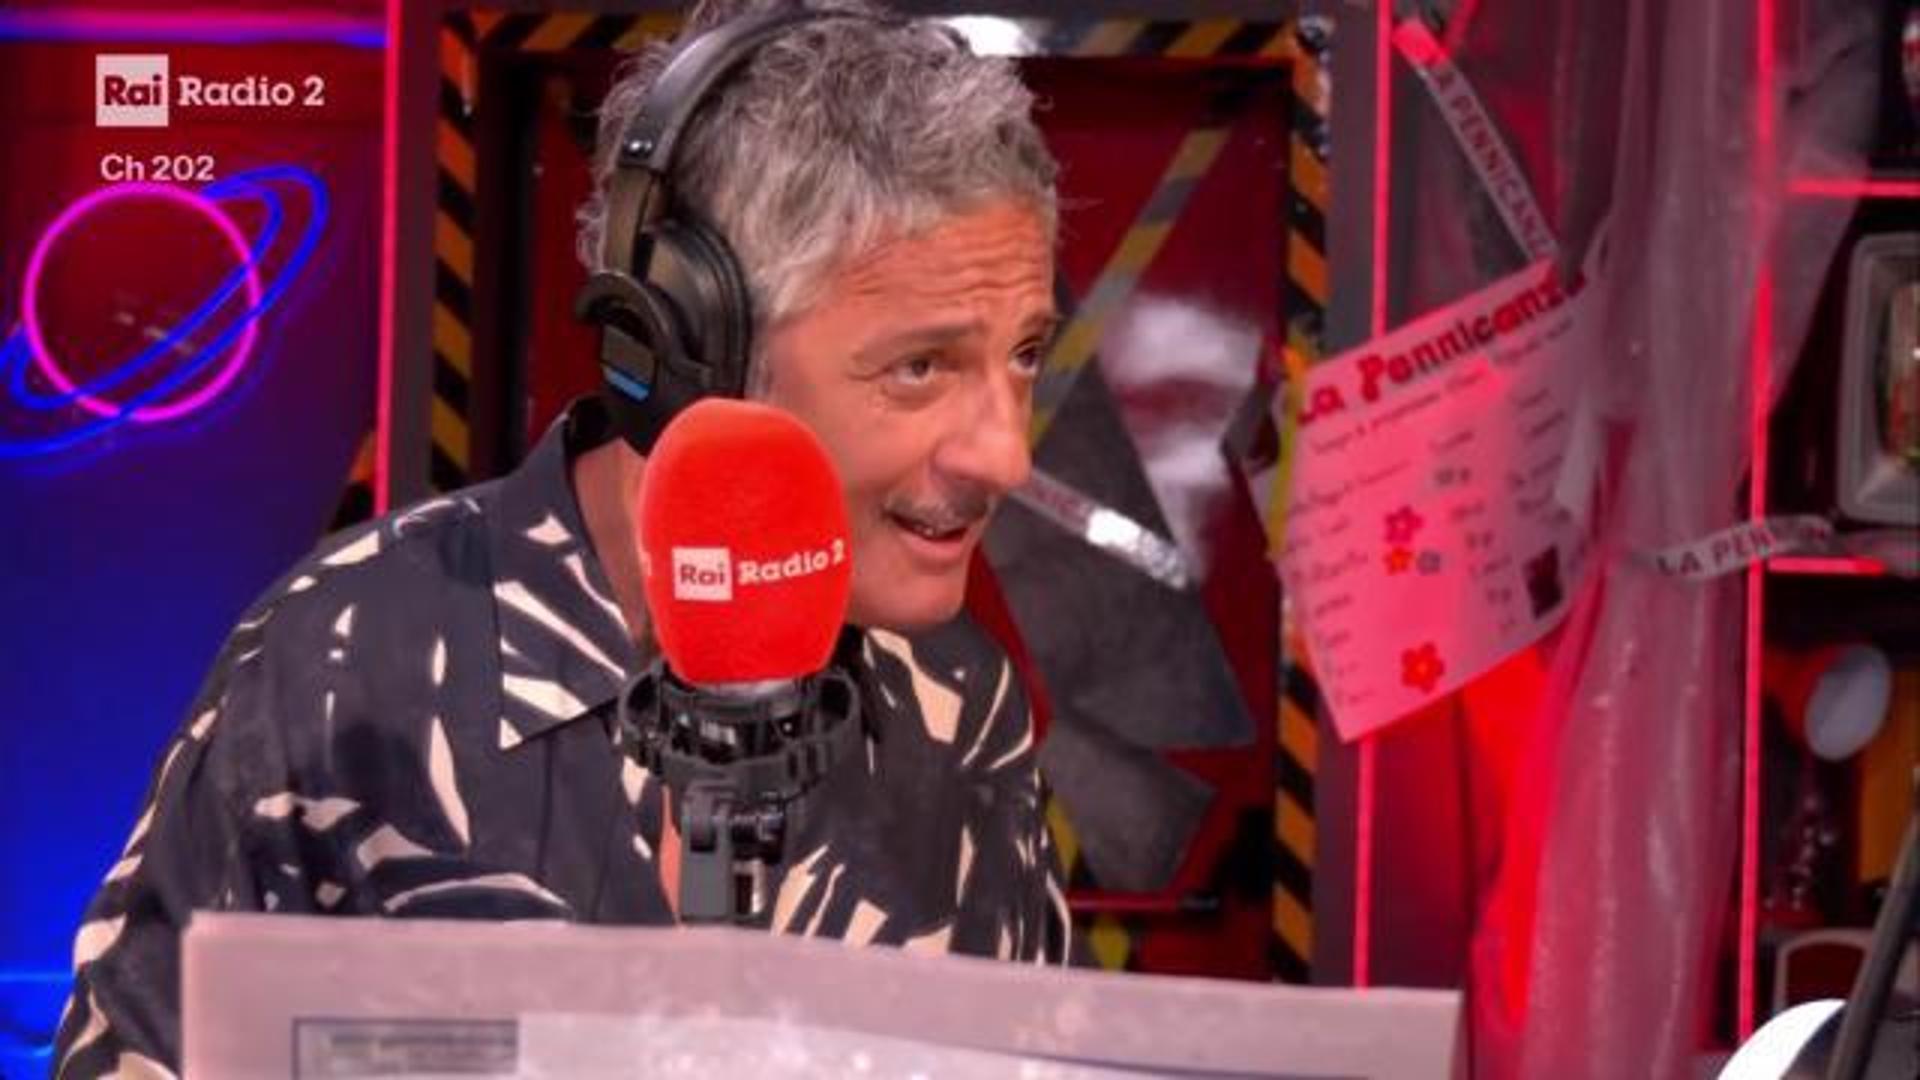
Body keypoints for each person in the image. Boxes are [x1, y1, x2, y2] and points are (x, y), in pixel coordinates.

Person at [53, 1, 1069, 1074]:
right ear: (688, 355)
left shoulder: (958, 700)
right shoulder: (348, 660)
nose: (1005, 455)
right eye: (920, 367)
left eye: (1026, 354)